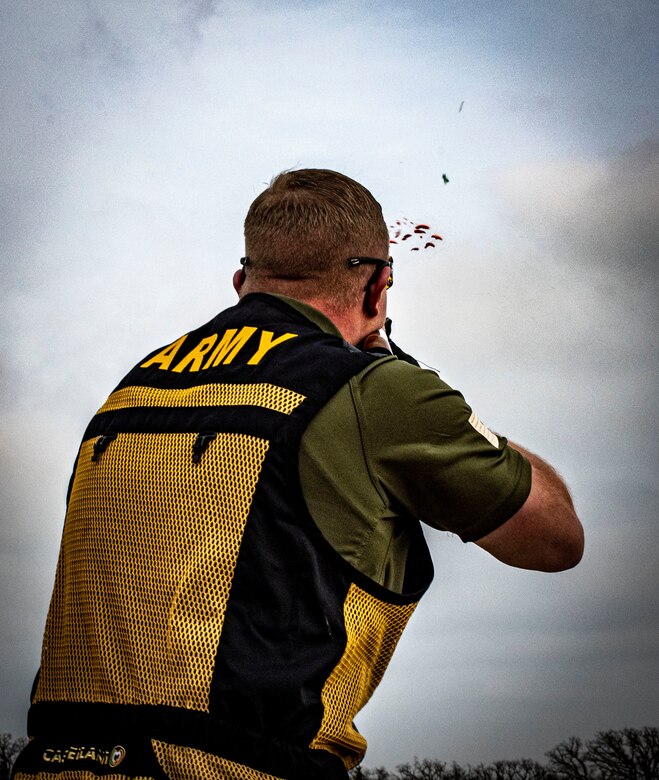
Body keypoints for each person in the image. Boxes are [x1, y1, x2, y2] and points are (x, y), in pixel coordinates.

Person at [13, 169, 583, 780]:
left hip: (56, 761)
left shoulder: (132, 387)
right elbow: (554, 539)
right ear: (378, 288)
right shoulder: (376, 388)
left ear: (241, 283)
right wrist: (429, 397)